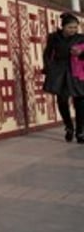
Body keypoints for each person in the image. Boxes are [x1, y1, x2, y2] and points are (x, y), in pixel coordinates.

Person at [43, 12, 84, 143]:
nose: (73, 30)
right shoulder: (54, 37)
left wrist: (81, 53)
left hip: (76, 72)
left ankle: (80, 132)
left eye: (75, 27)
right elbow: (47, 54)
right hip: (60, 72)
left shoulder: (81, 38)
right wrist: (49, 68)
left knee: (80, 102)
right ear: (63, 27)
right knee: (62, 101)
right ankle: (69, 126)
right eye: (70, 27)